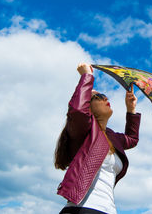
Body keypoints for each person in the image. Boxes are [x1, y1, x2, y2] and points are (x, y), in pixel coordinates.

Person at [55, 62, 141, 214]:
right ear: (88, 106)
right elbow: (78, 111)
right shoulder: (82, 132)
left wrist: (131, 110)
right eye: (99, 96)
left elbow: (131, 139)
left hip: (108, 210)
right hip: (82, 209)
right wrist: (87, 76)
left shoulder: (111, 136)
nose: (105, 98)